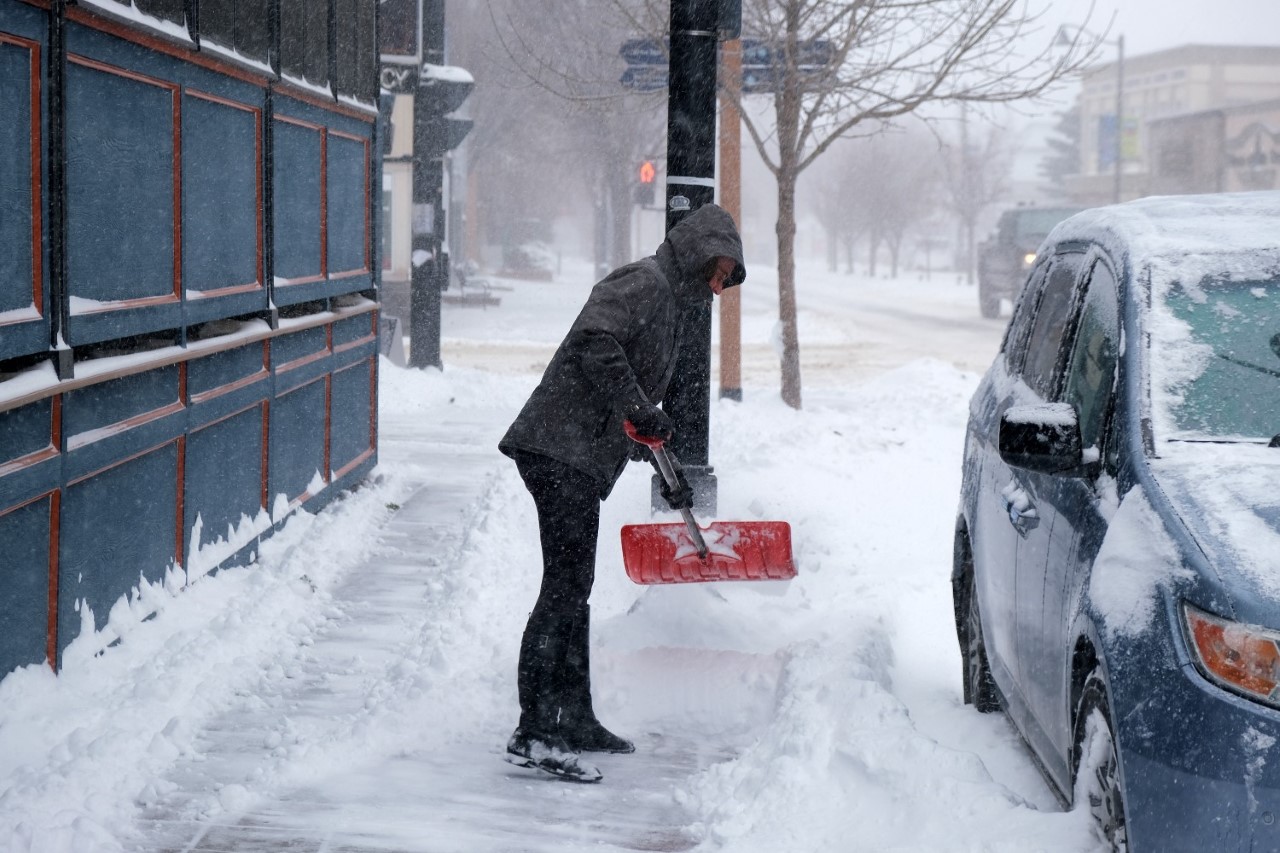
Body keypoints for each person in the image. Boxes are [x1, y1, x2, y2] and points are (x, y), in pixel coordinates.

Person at [498, 203, 746, 781]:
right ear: (696, 252)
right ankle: (535, 730)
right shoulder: (645, 281)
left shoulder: (671, 303)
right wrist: (637, 406)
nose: (718, 285)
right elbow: (594, 342)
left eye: (726, 278)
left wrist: (650, 445)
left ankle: (576, 717)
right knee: (563, 588)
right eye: (717, 270)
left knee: (573, 588)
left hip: (577, 453)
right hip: (557, 449)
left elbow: (625, 396)